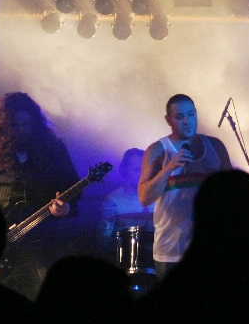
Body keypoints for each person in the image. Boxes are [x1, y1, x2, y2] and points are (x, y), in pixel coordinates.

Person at [0, 92, 80, 301]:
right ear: (2, 125)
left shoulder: (53, 148)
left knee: (40, 288)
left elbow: (72, 185)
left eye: (27, 124)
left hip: (40, 235)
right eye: (15, 125)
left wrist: (65, 208)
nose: (22, 130)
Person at [137, 94, 232, 280]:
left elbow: (231, 190)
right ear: (168, 120)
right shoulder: (158, 150)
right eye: (180, 117)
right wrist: (168, 168)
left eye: (190, 114)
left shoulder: (215, 146)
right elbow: (144, 198)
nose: (187, 121)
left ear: (196, 113)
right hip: (172, 250)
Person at [98, 148, 154, 272]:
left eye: (144, 169)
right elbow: (103, 240)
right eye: (137, 170)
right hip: (124, 264)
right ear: (124, 170)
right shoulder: (113, 199)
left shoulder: (159, 198)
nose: (142, 174)